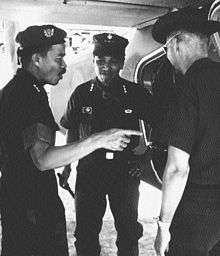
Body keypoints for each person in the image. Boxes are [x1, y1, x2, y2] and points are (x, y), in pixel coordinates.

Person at [0, 25, 142, 256]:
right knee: (84, 235)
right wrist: (98, 140)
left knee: (127, 232)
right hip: (33, 207)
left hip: (22, 200)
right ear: (37, 59)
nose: (65, 65)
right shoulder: (28, 96)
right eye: (59, 58)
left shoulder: (19, 91)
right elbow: (43, 159)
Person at [60, 32, 153, 256]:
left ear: (121, 63)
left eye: (112, 63)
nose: (105, 68)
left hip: (125, 172)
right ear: (94, 62)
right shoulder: (82, 94)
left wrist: (145, 158)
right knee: (85, 234)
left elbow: (157, 126)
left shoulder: (134, 93)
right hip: (89, 172)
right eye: (100, 62)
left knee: (129, 232)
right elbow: (72, 128)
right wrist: (67, 166)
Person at [151, 8, 220, 256]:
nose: (167, 56)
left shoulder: (187, 87)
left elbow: (178, 168)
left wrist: (163, 226)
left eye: (165, 49)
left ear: (177, 43)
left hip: (198, 210)